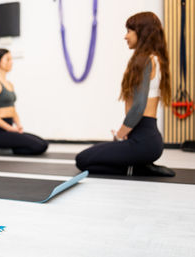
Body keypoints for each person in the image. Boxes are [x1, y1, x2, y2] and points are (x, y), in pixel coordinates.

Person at [75, 12, 175, 177]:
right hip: (147, 139)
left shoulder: (145, 61)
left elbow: (138, 107)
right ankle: (139, 166)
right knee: (93, 154)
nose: (125, 36)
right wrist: (126, 133)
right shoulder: (156, 59)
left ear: (141, 32)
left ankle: (137, 168)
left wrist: (120, 136)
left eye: (129, 31)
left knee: (83, 159)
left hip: (144, 141)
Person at [0, 48, 48, 155]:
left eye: (11, 59)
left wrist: (18, 125)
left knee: (43, 142)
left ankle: (5, 149)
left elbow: (12, 109)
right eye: (7, 59)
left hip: (10, 129)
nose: (11, 62)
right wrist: (9, 128)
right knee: (39, 146)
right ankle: (2, 150)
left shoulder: (9, 84)